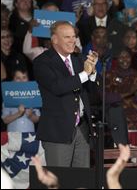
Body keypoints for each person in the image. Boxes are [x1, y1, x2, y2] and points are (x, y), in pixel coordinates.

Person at [33, 21, 98, 168]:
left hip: (82, 129)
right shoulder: (42, 62)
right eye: (67, 37)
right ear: (54, 39)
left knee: (81, 181)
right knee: (60, 180)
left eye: (74, 36)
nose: (72, 40)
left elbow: (93, 91)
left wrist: (93, 73)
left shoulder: (79, 58)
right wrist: (85, 73)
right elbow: (58, 87)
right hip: (58, 132)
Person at [2, 67, 40, 132]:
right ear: (13, 81)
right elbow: (5, 120)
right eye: (18, 78)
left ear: (28, 80)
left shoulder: (33, 96)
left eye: (24, 77)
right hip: (13, 135)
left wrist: (31, 115)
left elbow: (37, 118)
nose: (22, 81)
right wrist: (19, 113)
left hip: (29, 134)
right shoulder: (8, 97)